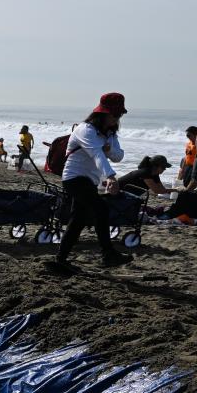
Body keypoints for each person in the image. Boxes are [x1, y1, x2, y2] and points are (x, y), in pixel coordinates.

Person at [49, 92, 132, 273]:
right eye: (115, 114)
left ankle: (60, 260)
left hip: (90, 181)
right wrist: (111, 177)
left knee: (77, 220)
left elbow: (118, 156)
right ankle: (108, 254)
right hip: (74, 178)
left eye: (120, 115)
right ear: (103, 113)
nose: (117, 118)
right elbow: (96, 155)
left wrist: (109, 149)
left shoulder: (109, 134)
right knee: (101, 209)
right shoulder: (86, 130)